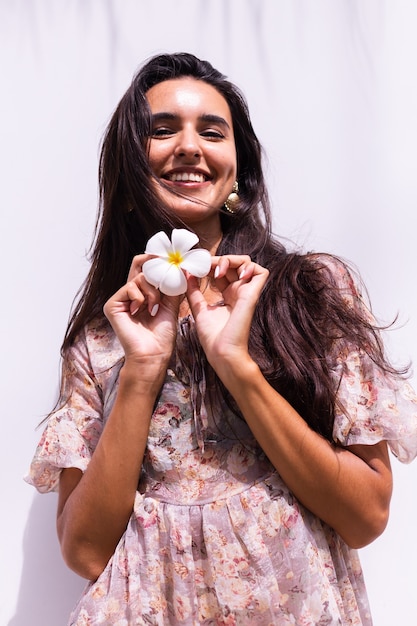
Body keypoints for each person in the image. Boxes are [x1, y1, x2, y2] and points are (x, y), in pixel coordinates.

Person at [26, 52, 417, 626]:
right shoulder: (102, 341)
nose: (189, 145)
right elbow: (85, 553)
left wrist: (235, 363)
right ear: (130, 175)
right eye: (162, 130)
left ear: (239, 176)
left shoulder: (308, 292)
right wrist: (143, 367)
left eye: (212, 131)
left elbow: (364, 517)